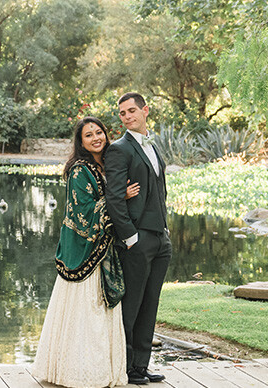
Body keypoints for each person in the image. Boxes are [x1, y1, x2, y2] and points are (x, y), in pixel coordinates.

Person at [33, 116, 140, 388]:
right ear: (80, 143)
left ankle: (102, 370)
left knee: (102, 311)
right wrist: (118, 198)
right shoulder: (80, 169)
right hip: (85, 250)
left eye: (99, 132)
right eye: (88, 135)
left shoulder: (107, 164)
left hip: (106, 246)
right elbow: (82, 213)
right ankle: (79, 372)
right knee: (87, 310)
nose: (96, 138)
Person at [103, 92, 171, 385]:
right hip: (137, 239)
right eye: (122, 113)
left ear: (145, 111)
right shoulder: (119, 149)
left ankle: (141, 368)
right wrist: (130, 237)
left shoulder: (153, 147)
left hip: (160, 240)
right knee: (131, 306)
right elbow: (114, 198)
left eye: (132, 111)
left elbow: (159, 191)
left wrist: (165, 231)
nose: (127, 116)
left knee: (150, 304)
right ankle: (125, 368)